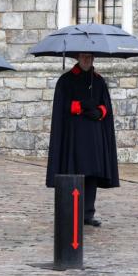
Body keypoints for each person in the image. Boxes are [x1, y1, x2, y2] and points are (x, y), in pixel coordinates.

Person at [46, 53, 119, 227]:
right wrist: (81, 106)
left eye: (89, 57)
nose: (86, 60)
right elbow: (62, 107)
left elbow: (106, 106)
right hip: (74, 137)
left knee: (92, 175)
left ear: (93, 58)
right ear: (78, 58)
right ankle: (73, 211)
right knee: (75, 172)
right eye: (83, 57)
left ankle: (88, 213)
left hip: (94, 136)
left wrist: (99, 111)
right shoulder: (66, 80)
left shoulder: (99, 81)